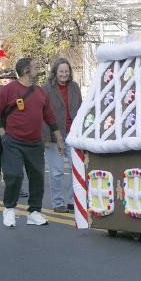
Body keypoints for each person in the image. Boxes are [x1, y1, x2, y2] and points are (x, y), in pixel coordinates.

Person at [0, 57, 65, 227]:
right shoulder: (8, 90)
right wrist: (3, 134)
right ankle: (9, 209)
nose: (38, 69)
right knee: (14, 175)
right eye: (35, 67)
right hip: (13, 142)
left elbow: (49, 116)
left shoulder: (40, 92)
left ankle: (34, 212)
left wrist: (59, 138)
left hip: (35, 143)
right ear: (26, 71)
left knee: (37, 178)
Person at [42, 58, 82, 213]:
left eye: (66, 71)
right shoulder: (46, 89)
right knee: (57, 171)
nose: (64, 74)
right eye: (61, 72)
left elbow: (81, 108)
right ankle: (58, 202)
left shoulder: (74, 87)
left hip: (73, 135)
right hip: (54, 137)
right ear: (55, 72)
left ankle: (73, 201)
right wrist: (45, 137)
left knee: (75, 169)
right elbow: (42, 114)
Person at [0, 68, 29, 198]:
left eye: (10, 78)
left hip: (15, 132)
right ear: (0, 80)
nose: (6, 81)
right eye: (3, 79)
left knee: (15, 161)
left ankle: (16, 187)